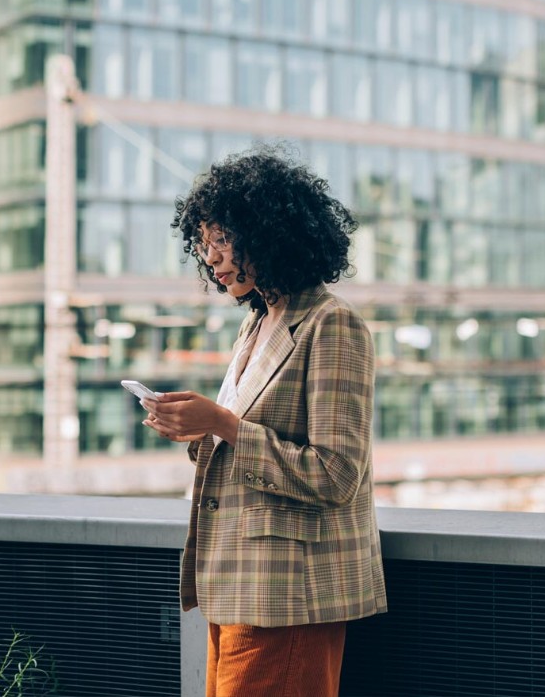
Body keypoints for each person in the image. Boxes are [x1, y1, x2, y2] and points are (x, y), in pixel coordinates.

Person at [141, 146, 387, 697]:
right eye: (205, 244)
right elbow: (244, 445)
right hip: (235, 587)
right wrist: (198, 428)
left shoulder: (332, 324)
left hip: (288, 597)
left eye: (224, 241)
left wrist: (225, 426)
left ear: (270, 234)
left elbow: (335, 473)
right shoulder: (256, 326)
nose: (213, 259)